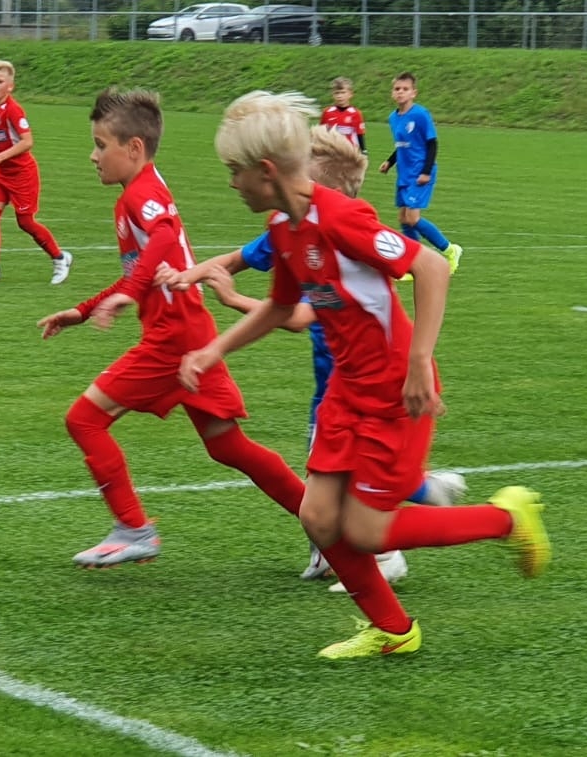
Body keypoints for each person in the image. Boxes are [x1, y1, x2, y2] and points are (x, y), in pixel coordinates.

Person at [181, 91, 551, 659]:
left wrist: (420, 361)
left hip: (393, 392)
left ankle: (507, 519)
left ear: (266, 171)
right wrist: (214, 351)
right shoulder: (284, 227)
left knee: (367, 532)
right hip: (346, 391)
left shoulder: (342, 219)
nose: (231, 183)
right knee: (318, 517)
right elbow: (282, 308)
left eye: (235, 171)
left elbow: (431, 266)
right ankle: (394, 630)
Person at [161, 126, 467, 593]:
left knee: (340, 494)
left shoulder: (337, 228)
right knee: (332, 494)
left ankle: (382, 556)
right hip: (339, 383)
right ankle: (418, 501)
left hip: (361, 384)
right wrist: (192, 275)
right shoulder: (285, 228)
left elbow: (299, 316)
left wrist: (231, 302)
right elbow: (246, 265)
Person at [35, 87, 308, 568]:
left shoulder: (142, 194)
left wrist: (132, 291)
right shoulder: (140, 192)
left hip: (173, 338)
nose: (93, 156)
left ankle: (133, 528)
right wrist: (83, 310)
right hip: (190, 330)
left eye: (100, 145)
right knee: (229, 446)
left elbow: (161, 236)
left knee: (84, 419)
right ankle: (326, 526)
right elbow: (139, 270)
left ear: (134, 148)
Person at [0, 59, 74, 285]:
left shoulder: (14, 110)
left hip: (23, 175)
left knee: (25, 222)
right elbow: (2, 141)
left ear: (10, 86)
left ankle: (60, 258)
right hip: (3, 174)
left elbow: (27, 141)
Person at [379, 71, 462, 276]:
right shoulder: (393, 118)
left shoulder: (420, 114)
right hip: (404, 173)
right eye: (397, 89)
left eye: (405, 89)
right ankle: (414, 265)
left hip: (420, 172)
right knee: (403, 218)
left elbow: (432, 144)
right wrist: (389, 162)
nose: (400, 92)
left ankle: (450, 250)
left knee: (412, 218)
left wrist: (426, 171)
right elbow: (403, 145)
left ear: (413, 93)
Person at [319, 77, 366, 156]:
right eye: (336, 93)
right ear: (332, 94)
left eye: (343, 92)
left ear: (350, 94)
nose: (339, 96)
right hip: (331, 154)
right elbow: (321, 134)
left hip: (350, 154)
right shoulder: (327, 112)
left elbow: (360, 135)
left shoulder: (356, 114)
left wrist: (364, 152)